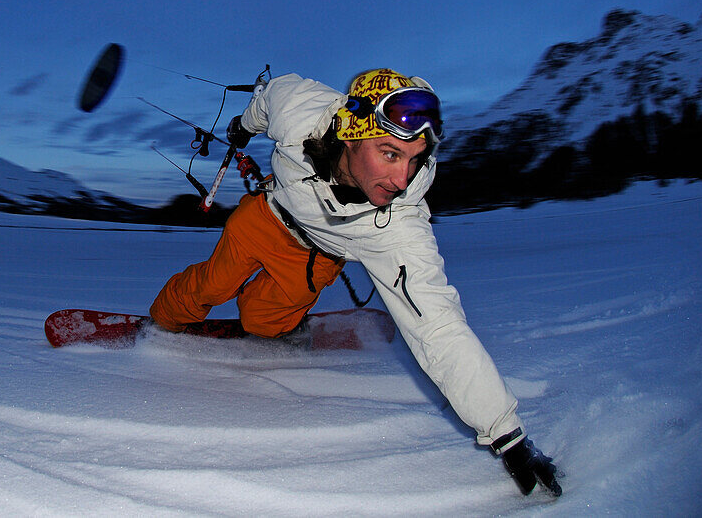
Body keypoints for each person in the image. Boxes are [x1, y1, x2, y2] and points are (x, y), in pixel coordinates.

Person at [150, 69, 562, 497]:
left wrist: (507, 434)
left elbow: (438, 328)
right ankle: (159, 325)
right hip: (264, 218)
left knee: (261, 322)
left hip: (315, 256)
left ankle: (283, 324)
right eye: (389, 154)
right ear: (351, 133)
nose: (402, 180)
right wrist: (242, 126)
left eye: (415, 158)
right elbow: (268, 96)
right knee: (211, 286)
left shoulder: (400, 227)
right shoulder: (300, 107)